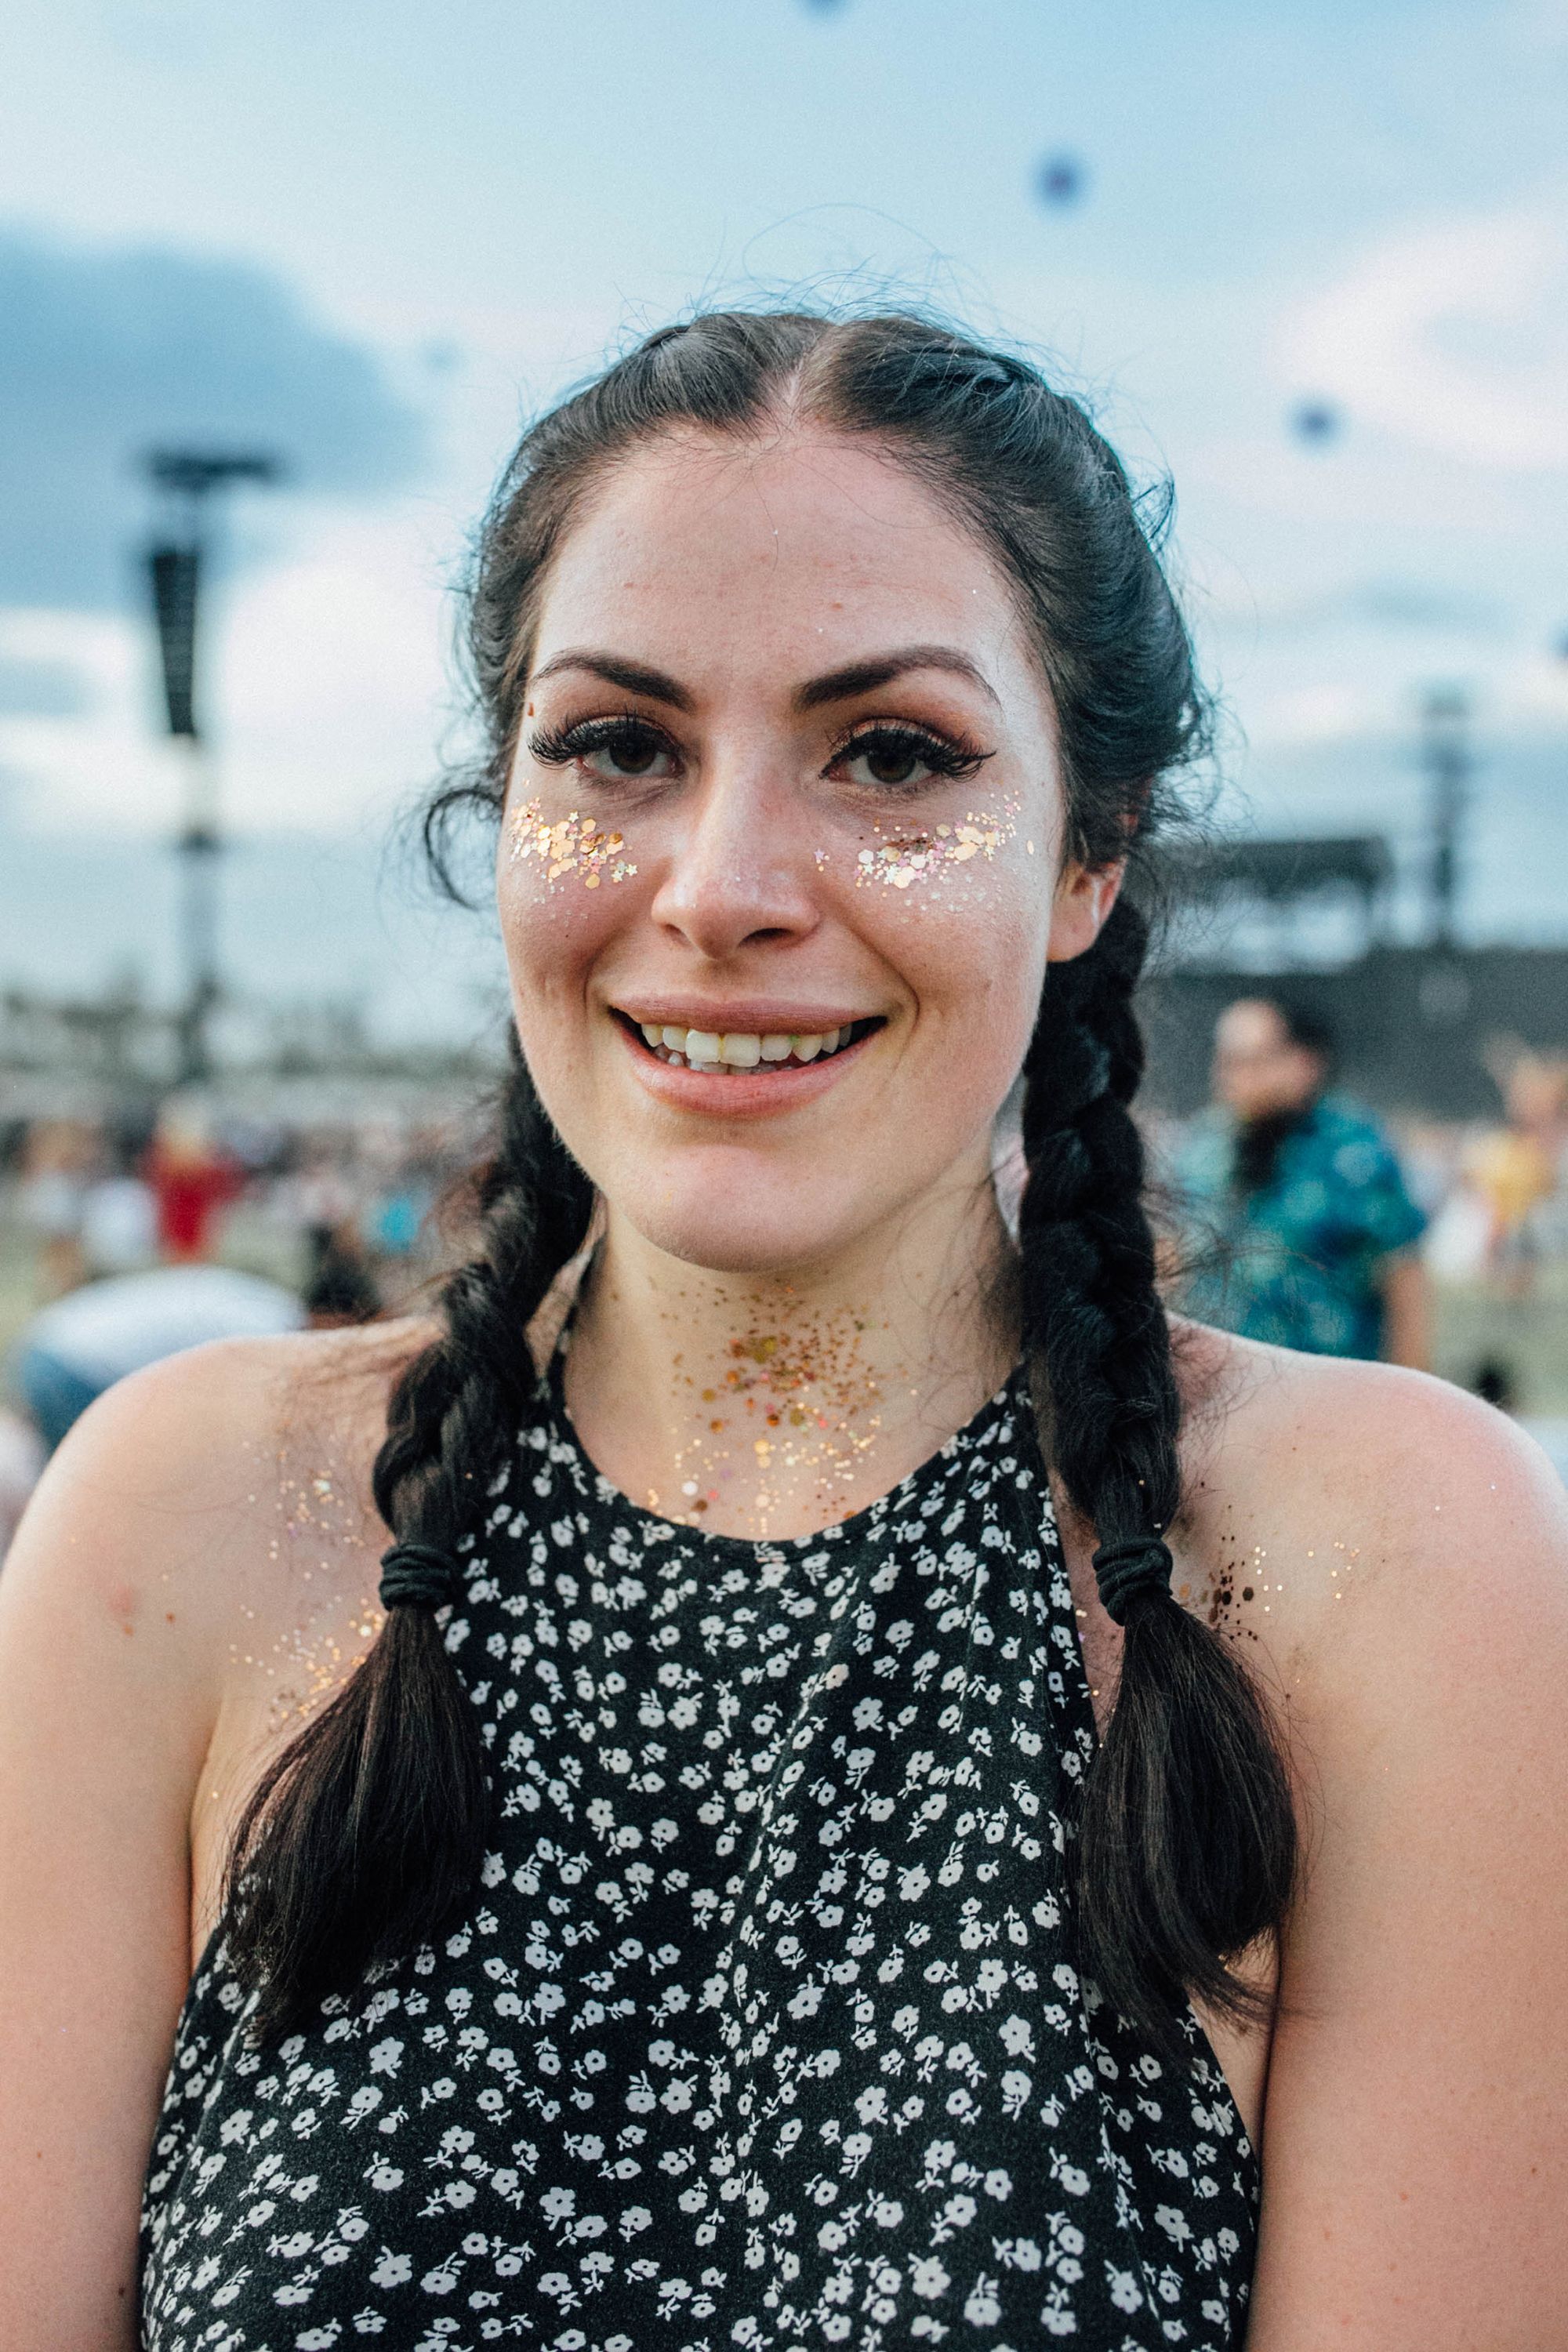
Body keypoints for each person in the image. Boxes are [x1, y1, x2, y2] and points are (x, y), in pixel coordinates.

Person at [1, 312, 1564, 2352]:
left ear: (1086, 854)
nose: (723, 883)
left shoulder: (1388, 1567)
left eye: (896, 754)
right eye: (619, 747)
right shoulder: (188, 1520)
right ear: (503, 820)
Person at [1174, 995, 1431, 1365]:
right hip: (1219, 1392)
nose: (1232, 1075)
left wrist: (1412, 1398)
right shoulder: (1200, 1149)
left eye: (1252, 1060)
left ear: (1304, 1063)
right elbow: (1170, 1261)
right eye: (1226, 1060)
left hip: (1330, 1393)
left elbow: (1403, 1278)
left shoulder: (1356, 1152)